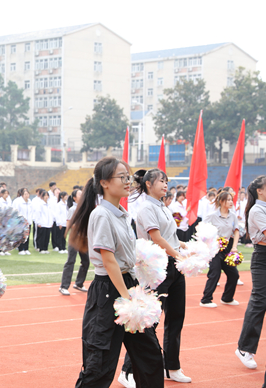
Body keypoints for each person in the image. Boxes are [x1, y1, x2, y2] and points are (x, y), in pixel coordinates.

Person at [69, 157, 164, 388]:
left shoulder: (122, 214)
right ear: (104, 183)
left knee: (150, 357)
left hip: (128, 285)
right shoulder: (101, 214)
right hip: (109, 292)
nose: (127, 181)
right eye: (121, 177)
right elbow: (108, 259)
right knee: (99, 366)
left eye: (128, 176)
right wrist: (127, 297)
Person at [121, 168, 191, 385]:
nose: (165, 184)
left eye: (166, 181)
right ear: (149, 184)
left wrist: (185, 247)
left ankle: (172, 366)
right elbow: (157, 238)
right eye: (161, 181)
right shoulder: (145, 208)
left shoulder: (163, 207)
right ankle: (127, 371)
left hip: (175, 265)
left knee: (176, 317)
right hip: (156, 268)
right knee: (149, 320)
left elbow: (170, 236)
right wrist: (178, 253)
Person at [235, 176, 266, 372]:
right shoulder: (258, 210)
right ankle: (244, 348)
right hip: (263, 260)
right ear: (260, 191)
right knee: (260, 301)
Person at [199, 191, 240, 308]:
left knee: (234, 274)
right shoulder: (211, 216)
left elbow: (236, 231)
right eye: (228, 200)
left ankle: (227, 298)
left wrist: (234, 247)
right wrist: (213, 241)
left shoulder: (233, 216)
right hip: (214, 249)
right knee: (215, 273)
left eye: (232, 199)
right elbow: (202, 231)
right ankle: (205, 299)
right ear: (221, 202)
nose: (231, 202)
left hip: (227, 248)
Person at [60, 189, 89, 295]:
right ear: (74, 198)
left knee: (86, 261)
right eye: (79, 194)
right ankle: (64, 286)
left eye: (82, 193)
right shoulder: (73, 209)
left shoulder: (85, 208)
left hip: (84, 238)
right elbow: (69, 224)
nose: (82, 195)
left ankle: (79, 283)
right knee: (71, 261)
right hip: (75, 237)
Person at [14, 188, 32, 255]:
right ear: (22, 195)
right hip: (21, 222)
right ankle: (21, 249)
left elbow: (31, 212)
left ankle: (26, 248)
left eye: (27, 194)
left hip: (28, 221)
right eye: (25, 194)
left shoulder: (30, 202)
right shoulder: (18, 201)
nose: (27, 195)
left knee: (27, 236)